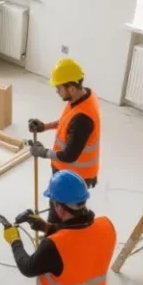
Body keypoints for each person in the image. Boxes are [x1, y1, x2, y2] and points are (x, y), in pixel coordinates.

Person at [28, 59, 101, 212]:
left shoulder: (82, 119)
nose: (56, 91)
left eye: (59, 87)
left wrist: (42, 152)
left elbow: (69, 155)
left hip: (74, 176)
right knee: (62, 210)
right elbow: (67, 122)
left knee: (62, 214)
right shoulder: (83, 96)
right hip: (69, 171)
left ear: (72, 88)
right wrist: (44, 126)